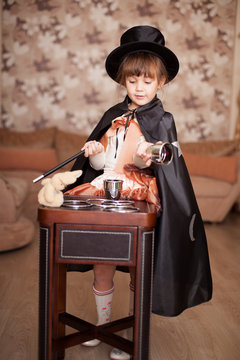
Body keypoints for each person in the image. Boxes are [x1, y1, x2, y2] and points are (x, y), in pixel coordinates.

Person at [40, 25, 213, 360]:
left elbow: (167, 165)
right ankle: (103, 327)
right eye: (133, 80)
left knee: (139, 268)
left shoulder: (164, 120)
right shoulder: (112, 116)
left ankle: (132, 332)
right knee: (102, 262)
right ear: (123, 81)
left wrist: (153, 155)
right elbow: (104, 159)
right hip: (105, 195)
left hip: (139, 201)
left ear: (161, 81)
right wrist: (93, 151)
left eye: (147, 80)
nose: (140, 87)